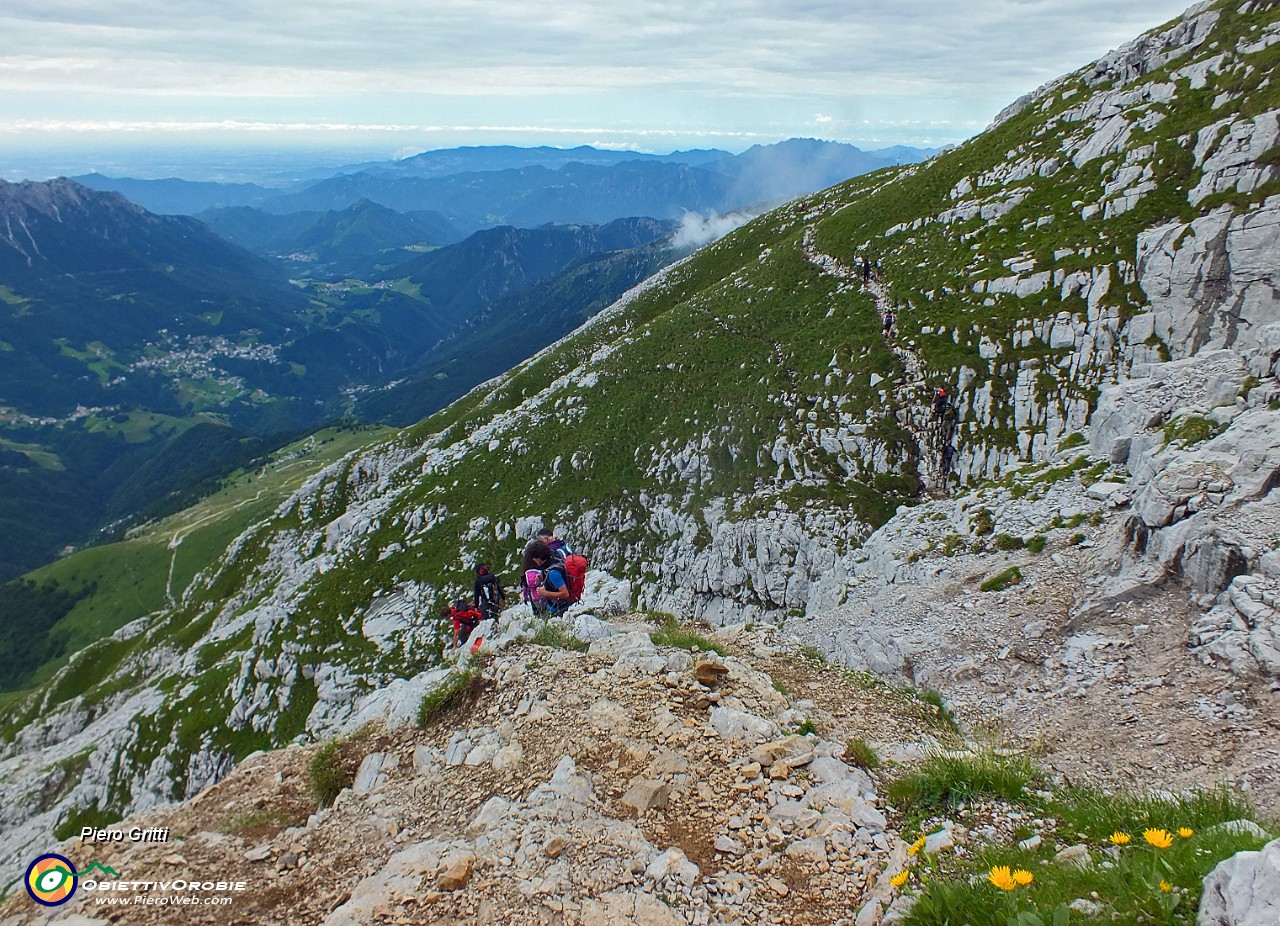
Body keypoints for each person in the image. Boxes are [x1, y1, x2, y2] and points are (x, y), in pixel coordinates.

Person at [522, 540, 572, 614]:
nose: (533, 560)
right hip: (556, 606)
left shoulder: (553, 573)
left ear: (539, 558)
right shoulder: (553, 562)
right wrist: (543, 579)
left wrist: (545, 593)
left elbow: (565, 594)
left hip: (560, 609)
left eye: (534, 557)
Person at [473, 562, 506, 628]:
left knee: (487, 622)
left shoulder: (478, 582)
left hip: (486, 604)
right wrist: (503, 598)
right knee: (495, 616)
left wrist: (476, 607)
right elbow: (498, 588)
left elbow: (476, 595)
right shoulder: (492, 576)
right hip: (495, 602)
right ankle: (498, 628)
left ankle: (491, 633)